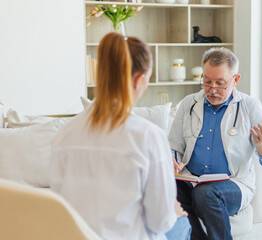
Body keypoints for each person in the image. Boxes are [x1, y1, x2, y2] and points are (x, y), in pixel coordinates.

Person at [49, 33, 191, 240]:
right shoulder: (148, 137)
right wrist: (173, 212)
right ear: (139, 80)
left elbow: (62, 209)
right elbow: (159, 221)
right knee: (182, 223)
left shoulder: (64, 134)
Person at [168, 47, 262, 240]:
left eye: (220, 83)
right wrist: (173, 160)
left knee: (205, 194)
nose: (212, 89)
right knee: (166, 187)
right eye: (207, 81)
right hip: (191, 180)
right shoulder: (188, 104)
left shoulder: (250, 106)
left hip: (233, 185)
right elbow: (174, 147)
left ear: (235, 80)